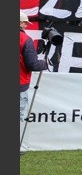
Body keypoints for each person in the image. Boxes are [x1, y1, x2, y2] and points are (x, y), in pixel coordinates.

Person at [20, 11, 48, 153]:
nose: (26, 25)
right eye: (25, 22)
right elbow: (32, 64)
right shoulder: (25, 39)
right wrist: (44, 63)